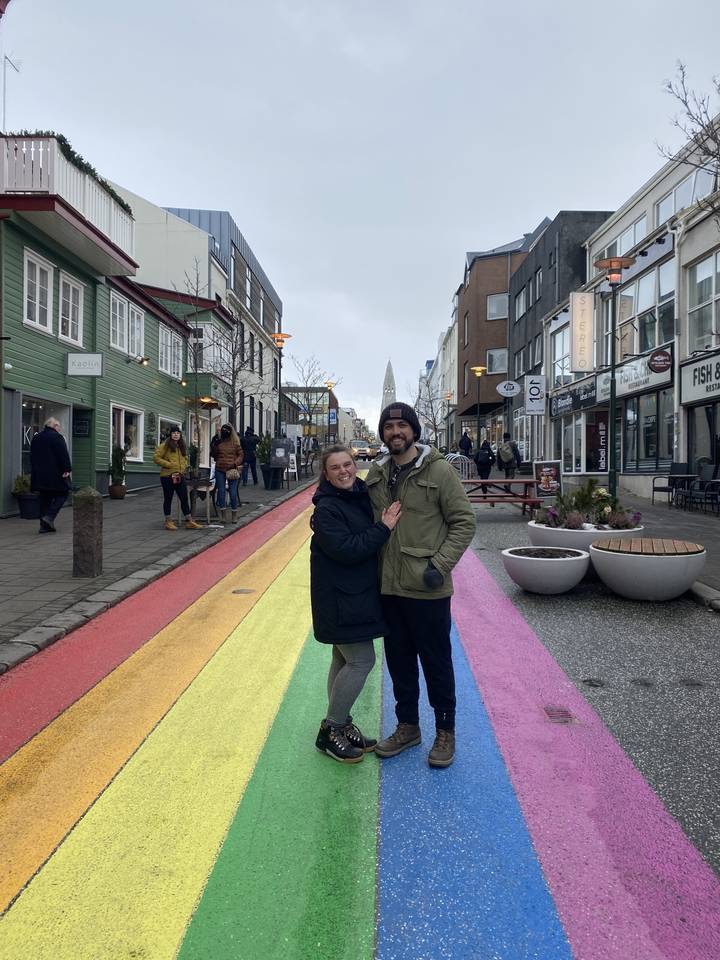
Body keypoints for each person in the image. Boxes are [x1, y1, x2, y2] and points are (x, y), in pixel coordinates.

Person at [366, 403, 475, 768]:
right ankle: (407, 726)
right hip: (389, 588)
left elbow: (464, 522)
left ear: (413, 431)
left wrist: (439, 566)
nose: (396, 432)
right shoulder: (377, 475)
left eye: (402, 426)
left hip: (427, 587)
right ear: (383, 433)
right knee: (399, 662)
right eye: (389, 426)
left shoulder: (439, 471)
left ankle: (445, 730)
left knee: (436, 662)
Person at [311, 444, 402, 763]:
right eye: (335, 467)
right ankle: (331, 729)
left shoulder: (358, 494)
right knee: (362, 660)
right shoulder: (326, 509)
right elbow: (347, 549)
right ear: (326, 474)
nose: (344, 471)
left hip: (353, 594)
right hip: (338, 597)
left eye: (347, 464)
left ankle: (342, 722)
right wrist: (384, 528)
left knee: (342, 657)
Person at [153, 426, 202, 530]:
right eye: (174, 433)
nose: (176, 434)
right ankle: (168, 521)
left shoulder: (181, 446)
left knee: (184, 498)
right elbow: (156, 458)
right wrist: (169, 464)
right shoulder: (165, 445)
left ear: (180, 435)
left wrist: (184, 467)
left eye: (177, 433)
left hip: (179, 476)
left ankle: (189, 521)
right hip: (167, 476)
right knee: (168, 498)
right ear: (170, 434)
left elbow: (185, 458)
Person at [29, 417, 72, 533]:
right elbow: (63, 455)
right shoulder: (57, 437)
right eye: (58, 426)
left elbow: (32, 456)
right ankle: (49, 516)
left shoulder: (36, 437)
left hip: (40, 475)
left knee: (44, 498)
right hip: (56, 474)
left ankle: (44, 526)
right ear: (54, 426)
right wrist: (67, 469)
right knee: (64, 492)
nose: (59, 429)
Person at [212, 423, 244, 523]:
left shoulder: (233, 443)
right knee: (226, 492)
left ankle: (229, 515)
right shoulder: (226, 442)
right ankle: (228, 515)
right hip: (224, 469)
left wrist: (235, 464)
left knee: (228, 492)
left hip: (227, 469)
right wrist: (214, 446)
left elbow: (241, 455)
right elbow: (213, 455)